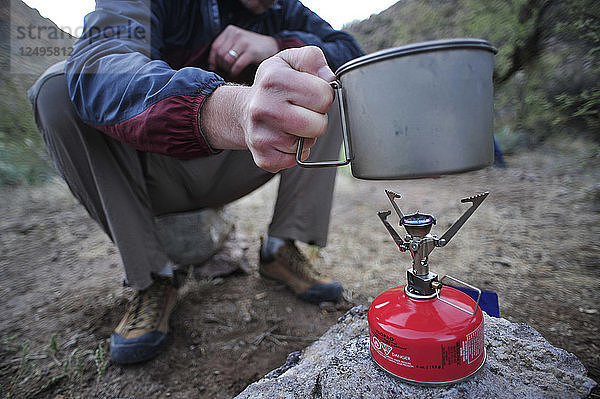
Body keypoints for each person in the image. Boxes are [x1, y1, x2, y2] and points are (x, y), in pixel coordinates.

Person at [29, 0, 363, 364]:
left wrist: (276, 46)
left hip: (235, 163)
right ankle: (153, 277)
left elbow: (352, 55)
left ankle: (282, 249)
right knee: (56, 90)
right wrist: (226, 109)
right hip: (149, 171)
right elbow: (99, 65)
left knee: (329, 81)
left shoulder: (283, 10)